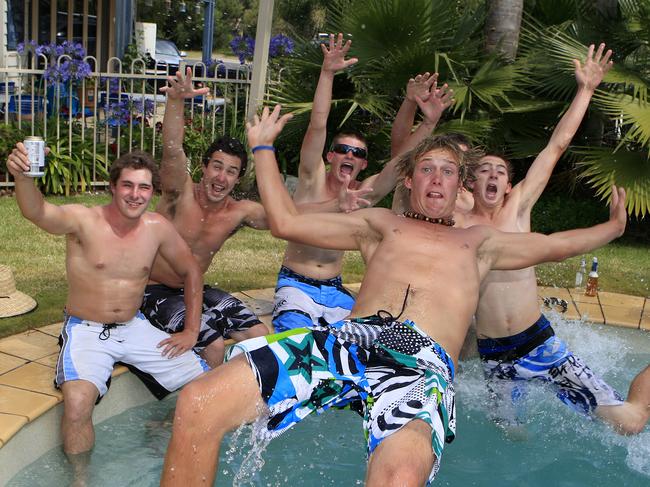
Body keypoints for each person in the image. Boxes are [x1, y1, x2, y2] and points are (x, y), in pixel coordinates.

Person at [161, 105, 630, 486]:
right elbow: (286, 222)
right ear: (410, 180)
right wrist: (262, 146)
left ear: (458, 185)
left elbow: (553, 247)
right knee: (199, 403)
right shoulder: (380, 223)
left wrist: (613, 226)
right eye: (427, 169)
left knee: (401, 473)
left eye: (448, 172)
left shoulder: (479, 243)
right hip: (351, 339)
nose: (437, 179)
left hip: (420, 359)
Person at [454, 43, 650, 434]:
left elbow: (556, 146)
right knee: (512, 436)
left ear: (509, 185)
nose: (493, 176)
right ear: (470, 181)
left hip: (540, 344)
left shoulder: (518, 209)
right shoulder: (456, 224)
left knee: (628, 423)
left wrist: (586, 90)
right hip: (495, 358)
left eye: (500, 172)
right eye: (485, 171)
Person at [6, 146, 209, 469]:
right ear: (113, 186)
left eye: (143, 187)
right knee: (77, 403)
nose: (135, 195)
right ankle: (81, 479)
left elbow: (191, 270)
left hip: (134, 326)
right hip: (87, 329)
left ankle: (165, 430)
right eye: (127, 185)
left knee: (206, 384)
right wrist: (23, 177)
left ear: (152, 192)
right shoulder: (83, 221)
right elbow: (37, 212)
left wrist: (191, 330)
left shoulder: (156, 228)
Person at [273, 33, 453, 333]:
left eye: (357, 153)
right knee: (295, 346)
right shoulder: (311, 175)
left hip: (334, 289)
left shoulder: (362, 193)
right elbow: (318, 123)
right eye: (342, 150)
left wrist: (429, 123)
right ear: (330, 155)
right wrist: (327, 73)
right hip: (296, 284)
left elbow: (400, 163)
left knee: (366, 346)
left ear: (363, 164)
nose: (349, 155)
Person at [140, 68, 270, 368]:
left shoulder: (239, 212)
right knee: (212, 346)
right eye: (217, 167)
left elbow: (287, 220)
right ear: (203, 167)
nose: (221, 178)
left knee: (260, 335)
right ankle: (203, 410)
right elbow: (172, 150)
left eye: (231, 171)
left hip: (196, 289)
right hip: (154, 290)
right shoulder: (179, 194)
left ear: (238, 179)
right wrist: (176, 101)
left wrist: (338, 205)